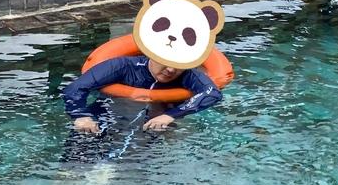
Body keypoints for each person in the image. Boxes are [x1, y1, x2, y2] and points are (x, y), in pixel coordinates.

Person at [61, 53, 223, 133]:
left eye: (178, 64)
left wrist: (170, 115)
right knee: (74, 170)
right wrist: (80, 116)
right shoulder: (124, 66)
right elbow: (75, 88)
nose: (171, 69)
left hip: (152, 129)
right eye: (165, 61)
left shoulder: (188, 75)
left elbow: (212, 93)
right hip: (107, 120)